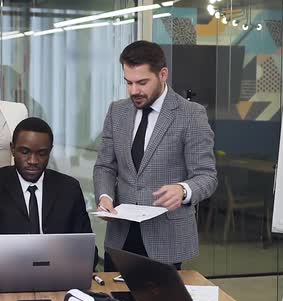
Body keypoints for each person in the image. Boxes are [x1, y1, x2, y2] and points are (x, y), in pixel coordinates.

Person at [93, 40, 218, 271]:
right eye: (128, 83)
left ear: (163, 74)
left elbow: (207, 177)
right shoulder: (116, 111)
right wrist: (105, 197)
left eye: (142, 82)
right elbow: (105, 166)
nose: (134, 91)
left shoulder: (191, 115)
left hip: (166, 239)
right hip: (120, 236)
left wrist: (183, 190)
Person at [0, 117, 98, 273]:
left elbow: (89, 252)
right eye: (25, 152)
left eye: (42, 153)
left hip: (57, 278)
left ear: (50, 150)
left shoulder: (69, 189)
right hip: (2, 277)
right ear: (12, 149)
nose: (33, 161)